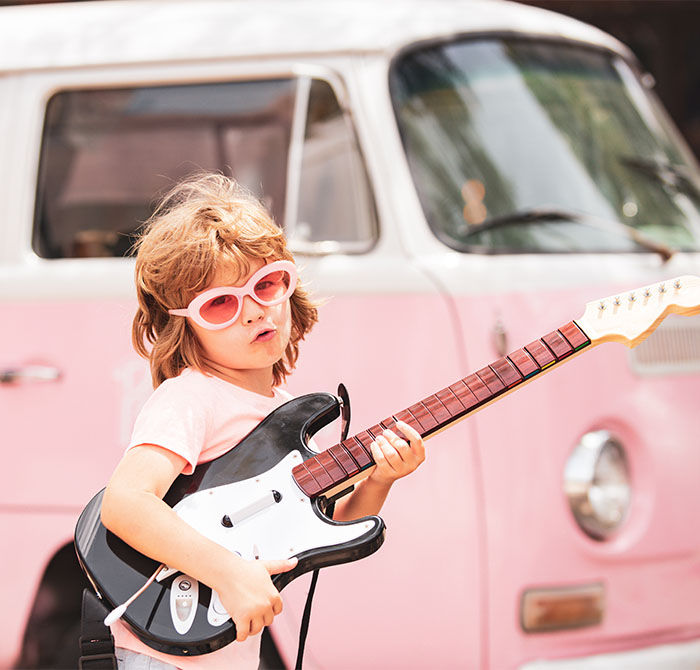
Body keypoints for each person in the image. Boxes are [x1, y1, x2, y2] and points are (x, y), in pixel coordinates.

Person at [100, 173, 426, 670]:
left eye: (267, 284)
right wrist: (229, 574)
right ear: (183, 325)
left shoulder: (281, 412)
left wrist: (381, 477)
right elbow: (124, 503)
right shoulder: (191, 397)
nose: (255, 311)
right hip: (165, 654)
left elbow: (319, 529)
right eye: (221, 303)